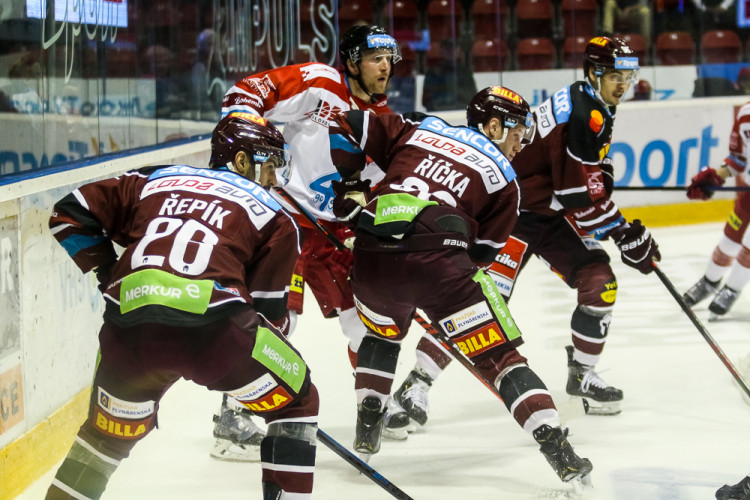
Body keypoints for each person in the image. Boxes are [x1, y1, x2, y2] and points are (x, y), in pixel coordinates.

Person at [45, 114, 319, 499]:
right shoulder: (276, 217)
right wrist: (238, 377)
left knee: (101, 443)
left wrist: (108, 273)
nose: (273, 179)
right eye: (269, 165)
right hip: (220, 336)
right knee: (298, 403)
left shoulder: (151, 180)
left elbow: (67, 214)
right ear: (241, 161)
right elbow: (269, 324)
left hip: (129, 336)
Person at [327, 86, 593, 483]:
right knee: (500, 360)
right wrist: (432, 276)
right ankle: (557, 447)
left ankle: (368, 419)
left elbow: (341, 124)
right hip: (442, 270)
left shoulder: (418, 129)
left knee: (381, 338)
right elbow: (482, 258)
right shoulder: (506, 179)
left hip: (370, 260)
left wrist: (352, 187)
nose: (521, 144)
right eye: (518, 132)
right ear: (492, 125)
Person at [394, 36, 661, 421]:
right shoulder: (586, 111)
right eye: (614, 76)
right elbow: (577, 196)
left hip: (549, 215)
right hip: (513, 214)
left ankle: (582, 375)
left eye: (627, 76)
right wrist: (625, 233)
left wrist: (600, 179)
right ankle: (417, 383)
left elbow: (577, 182)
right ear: (593, 73)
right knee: (478, 304)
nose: (623, 84)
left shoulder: (594, 102)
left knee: (599, 281)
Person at [218, 24, 414, 447]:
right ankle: (231, 417)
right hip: (282, 220)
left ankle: (373, 400)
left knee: (366, 319)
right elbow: (246, 92)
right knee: (274, 319)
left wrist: (363, 207)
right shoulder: (320, 83)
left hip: (331, 232)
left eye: (388, 59)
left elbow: (373, 186)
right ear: (351, 62)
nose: (384, 67)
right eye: (374, 58)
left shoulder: (381, 122)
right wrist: (250, 136)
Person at [683, 100, 750, 317]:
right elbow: (738, 159)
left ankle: (732, 289)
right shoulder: (746, 113)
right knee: (730, 241)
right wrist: (714, 178)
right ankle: (710, 282)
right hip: (749, 193)